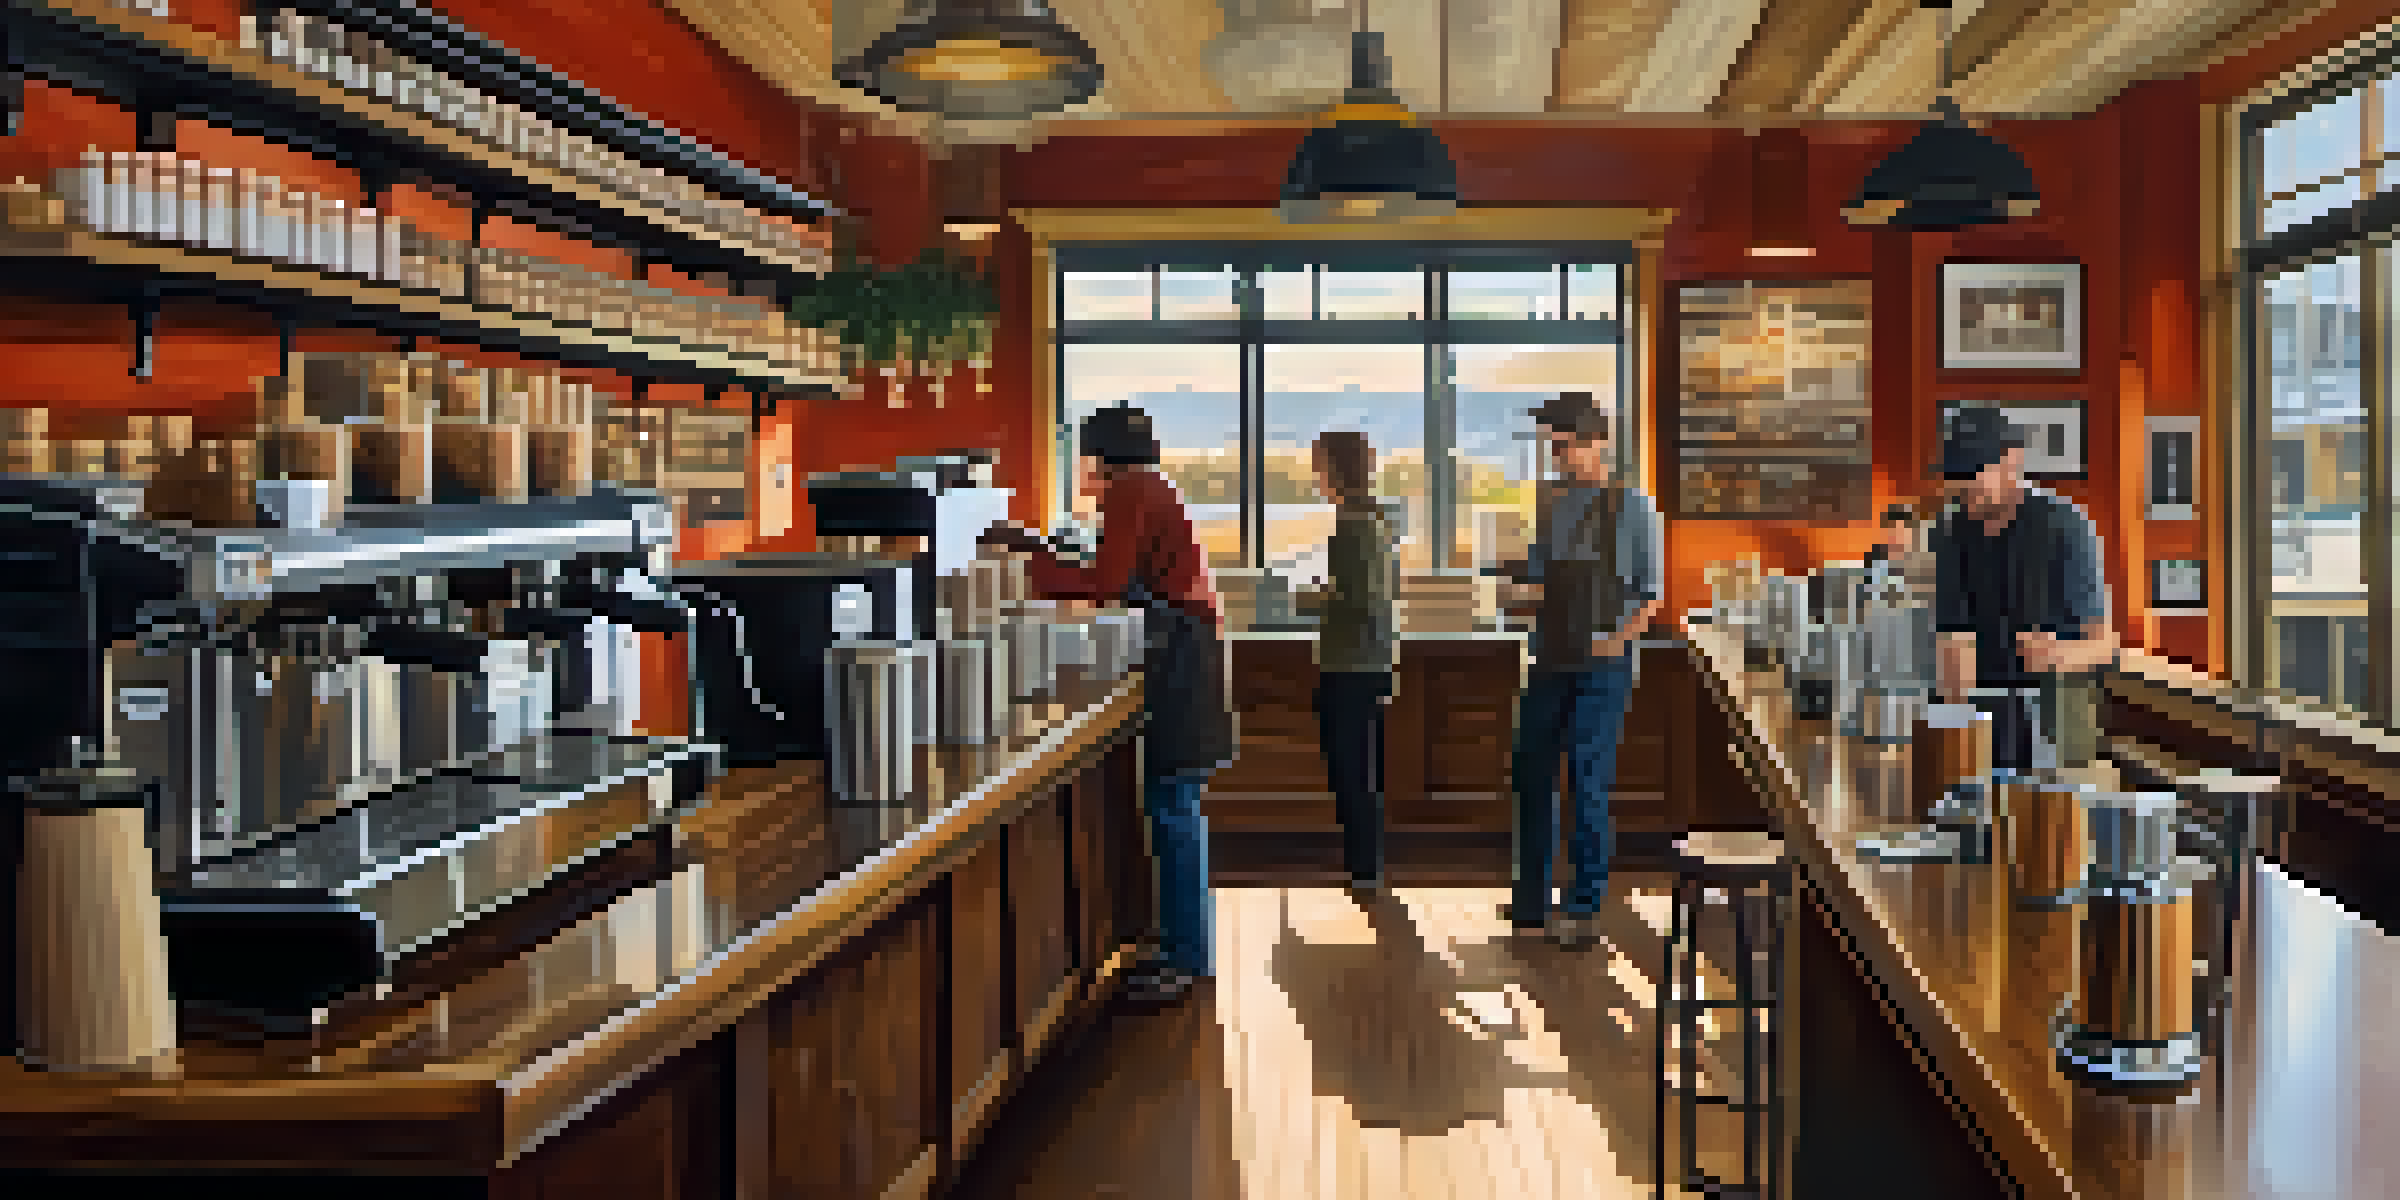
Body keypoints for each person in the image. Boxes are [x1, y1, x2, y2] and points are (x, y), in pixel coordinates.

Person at [978, 405, 1236, 1003]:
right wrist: (1036, 547)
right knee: (1180, 805)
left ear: (1101, 457)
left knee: (1172, 806)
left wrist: (1028, 563)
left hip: (1181, 653)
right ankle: (1184, 947)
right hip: (1188, 648)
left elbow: (1105, 585)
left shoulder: (1131, 491)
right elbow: (1114, 576)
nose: (1088, 478)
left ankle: (1185, 958)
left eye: (1089, 463)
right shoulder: (1153, 485)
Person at [1501, 392, 1665, 946]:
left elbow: (1652, 596)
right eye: (1551, 446)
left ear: (1599, 443)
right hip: (1549, 656)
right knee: (1530, 774)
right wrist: (1515, 595)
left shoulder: (1635, 508)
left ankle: (1583, 906)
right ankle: (1530, 901)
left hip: (1603, 666)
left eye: (1564, 446)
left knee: (1588, 784)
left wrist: (1613, 642)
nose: (1557, 457)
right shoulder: (1552, 504)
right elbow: (1545, 582)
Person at [1929, 407, 2118, 772]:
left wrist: (2059, 655)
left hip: (2055, 718)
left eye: (1975, 471)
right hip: (1982, 722)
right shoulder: (1951, 532)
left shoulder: (2065, 527)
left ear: (2011, 462)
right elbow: (1951, 640)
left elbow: (2105, 647)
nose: (1964, 485)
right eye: (1956, 474)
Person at [1310, 431, 1398, 893]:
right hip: (1369, 661)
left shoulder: (1355, 525)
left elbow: (1363, 599)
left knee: (1352, 771)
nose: (1314, 474)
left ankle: (1365, 871)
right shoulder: (1374, 518)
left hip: (1351, 665)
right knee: (1361, 770)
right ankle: (1365, 869)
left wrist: (1316, 598)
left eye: (1319, 464)